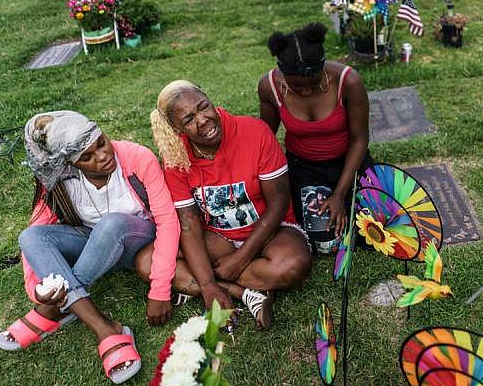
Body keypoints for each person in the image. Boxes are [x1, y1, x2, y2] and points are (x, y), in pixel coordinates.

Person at [0, 111, 180, 385]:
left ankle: (57, 311)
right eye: (87, 157)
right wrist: (38, 293)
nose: (102, 156)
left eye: (101, 143)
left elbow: (167, 220)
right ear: (70, 163)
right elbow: (38, 228)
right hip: (93, 245)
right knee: (30, 237)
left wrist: (160, 288)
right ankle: (105, 328)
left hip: (136, 239)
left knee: (111, 223)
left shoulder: (136, 157)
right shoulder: (60, 179)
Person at [150, 80, 312, 330]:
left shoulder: (254, 131)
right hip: (218, 239)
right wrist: (208, 286)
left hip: (271, 232)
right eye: (189, 119)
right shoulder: (176, 158)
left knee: (293, 265)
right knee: (147, 261)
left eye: (203, 107)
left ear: (208, 97)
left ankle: (225, 281)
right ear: (176, 128)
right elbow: (190, 225)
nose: (202, 120)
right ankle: (245, 292)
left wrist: (241, 258)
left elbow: (279, 204)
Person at [258, 22, 371, 254]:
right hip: (304, 169)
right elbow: (265, 136)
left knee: (372, 232)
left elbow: (360, 139)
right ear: (283, 75)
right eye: (298, 88)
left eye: (314, 84)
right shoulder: (270, 86)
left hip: (349, 163)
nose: (307, 92)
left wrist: (339, 194)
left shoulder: (348, 82)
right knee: (325, 243)